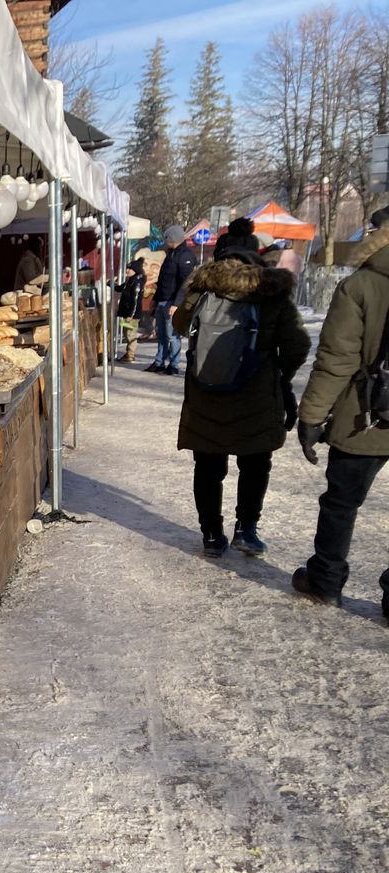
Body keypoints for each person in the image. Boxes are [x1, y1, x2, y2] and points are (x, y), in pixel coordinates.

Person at [172, 247, 310, 557]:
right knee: (255, 464)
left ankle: (211, 534)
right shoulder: (271, 293)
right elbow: (298, 345)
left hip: (205, 395)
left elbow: (180, 325)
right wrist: (278, 374)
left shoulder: (203, 289)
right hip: (257, 397)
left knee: (207, 467)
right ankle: (246, 530)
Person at [292, 222, 389, 613]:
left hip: (363, 415)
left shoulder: (361, 285)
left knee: (341, 504)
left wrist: (312, 416)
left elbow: (337, 360)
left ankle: (325, 581)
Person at [149, 225, 197, 374]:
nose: (165, 242)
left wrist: (177, 304)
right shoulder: (171, 254)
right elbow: (164, 279)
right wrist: (155, 299)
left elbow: (186, 282)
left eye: (167, 239)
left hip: (173, 301)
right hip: (163, 299)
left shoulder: (185, 255)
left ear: (173, 239)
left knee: (172, 335)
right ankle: (159, 362)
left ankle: (174, 364)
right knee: (161, 334)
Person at [113, 257, 146, 363]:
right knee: (126, 333)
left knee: (130, 334)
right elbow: (120, 288)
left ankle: (130, 354)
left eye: (129, 269)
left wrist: (131, 314)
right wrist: (110, 284)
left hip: (131, 314)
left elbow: (135, 299)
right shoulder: (130, 281)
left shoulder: (136, 282)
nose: (127, 271)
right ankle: (129, 353)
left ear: (135, 270)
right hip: (127, 311)